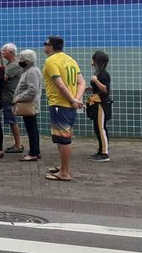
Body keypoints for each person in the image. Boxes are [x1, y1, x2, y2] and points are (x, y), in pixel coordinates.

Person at [43, 36, 85, 181]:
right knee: (63, 137)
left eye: (45, 44)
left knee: (64, 139)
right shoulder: (70, 60)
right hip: (69, 105)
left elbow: (60, 85)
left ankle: (65, 172)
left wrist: (72, 100)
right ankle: (63, 167)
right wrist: (76, 99)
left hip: (59, 104)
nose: (44, 46)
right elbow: (81, 82)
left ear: (51, 47)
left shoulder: (51, 61)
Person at [14, 49, 42, 161]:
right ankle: (36, 151)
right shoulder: (29, 70)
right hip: (29, 104)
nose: (19, 61)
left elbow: (32, 90)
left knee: (31, 129)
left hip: (29, 104)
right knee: (32, 129)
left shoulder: (32, 72)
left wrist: (18, 98)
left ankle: (33, 153)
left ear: (28, 61)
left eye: (21, 59)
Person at [88, 51, 112, 162]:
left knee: (100, 127)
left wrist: (96, 81)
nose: (91, 61)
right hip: (97, 103)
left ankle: (104, 153)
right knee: (98, 127)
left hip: (101, 103)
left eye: (93, 59)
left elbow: (105, 89)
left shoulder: (103, 74)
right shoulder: (99, 73)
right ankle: (101, 149)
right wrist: (89, 88)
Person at [1, 43, 24, 154]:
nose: (2, 53)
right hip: (9, 96)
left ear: (10, 52)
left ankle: (18, 144)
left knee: (12, 121)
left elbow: (3, 79)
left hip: (10, 97)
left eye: (4, 51)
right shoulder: (11, 63)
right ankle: (17, 143)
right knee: (11, 121)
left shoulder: (14, 65)